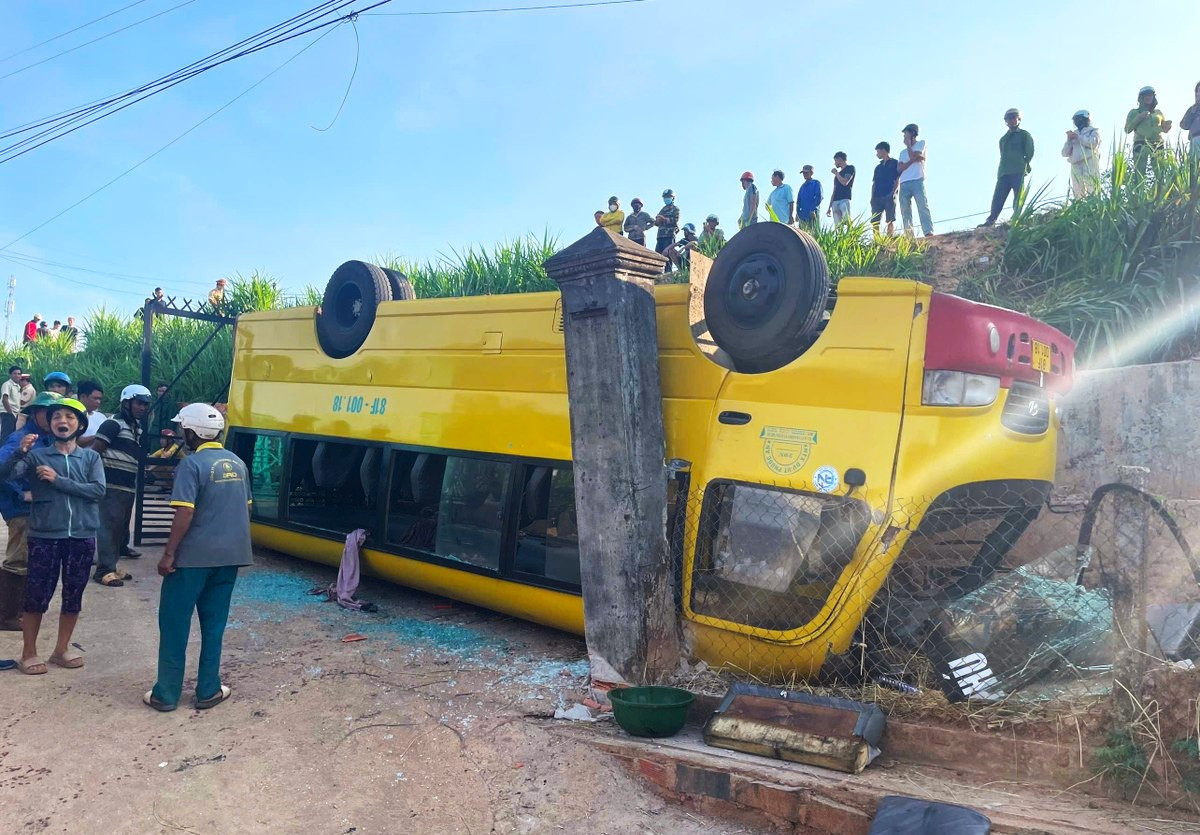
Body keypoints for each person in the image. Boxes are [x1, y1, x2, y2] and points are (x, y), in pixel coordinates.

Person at [144, 403, 252, 711]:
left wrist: (168, 554)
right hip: (230, 558)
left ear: (192, 433)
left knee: (174, 625)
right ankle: (208, 690)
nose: (182, 434)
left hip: (191, 560)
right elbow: (245, 508)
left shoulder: (191, 465)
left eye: (183, 429)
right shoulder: (238, 464)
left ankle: (166, 694)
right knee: (214, 625)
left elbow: (185, 512)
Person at [0, 398, 103, 674]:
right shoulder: (36, 455)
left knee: (73, 595)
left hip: (81, 535)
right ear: (50, 424)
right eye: (56, 416)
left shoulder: (91, 458)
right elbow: (4, 475)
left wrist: (58, 481)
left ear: (80, 425)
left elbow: (97, 491)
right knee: (36, 596)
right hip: (45, 536)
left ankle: (61, 650)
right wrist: (19, 453)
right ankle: (29, 653)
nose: (62, 421)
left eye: (69, 417)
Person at [0, 392, 60, 631]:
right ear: (35, 413)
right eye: (49, 413)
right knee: (19, 559)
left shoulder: (47, 439)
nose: (54, 418)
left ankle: (18, 612)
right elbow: (3, 469)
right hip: (21, 509)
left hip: (36, 509)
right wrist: (20, 494)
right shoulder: (22, 439)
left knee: (30, 559)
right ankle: (7, 616)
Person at [90, 384, 151, 586]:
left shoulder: (136, 428)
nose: (142, 408)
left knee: (119, 528)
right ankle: (103, 571)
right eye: (139, 403)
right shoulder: (113, 424)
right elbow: (95, 452)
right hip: (111, 485)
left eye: (145, 404)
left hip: (127, 486)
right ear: (126, 403)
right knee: (108, 527)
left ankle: (112, 565)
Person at [981, 108, 1035, 227]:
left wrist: (1022, 163)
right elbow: (1003, 155)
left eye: (1014, 118)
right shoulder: (1003, 139)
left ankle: (1016, 218)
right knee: (998, 197)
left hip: (1018, 170)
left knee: (1018, 196)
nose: (1011, 120)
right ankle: (991, 220)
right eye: (1009, 118)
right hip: (1004, 171)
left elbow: (1030, 152)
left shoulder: (1024, 135)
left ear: (1018, 119)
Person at [898, 123, 933, 237]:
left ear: (913, 133)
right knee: (905, 211)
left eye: (906, 133)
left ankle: (928, 232)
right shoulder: (902, 152)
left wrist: (909, 145)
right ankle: (909, 236)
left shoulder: (921, 143)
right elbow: (900, 168)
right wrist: (913, 160)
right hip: (904, 182)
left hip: (917, 179)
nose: (904, 136)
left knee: (922, 206)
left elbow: (915, 155)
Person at [1062, 109, 1102, 198]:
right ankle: (1079, 204)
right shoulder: (1074, 134)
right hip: (1076, 164)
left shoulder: (1093, 131)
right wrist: (1069, 141)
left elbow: (1094, 143)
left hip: (1090, 161)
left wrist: (1079, 137)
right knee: (1077, 189)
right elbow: (1064, 153)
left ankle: (1094, 203)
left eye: (1078, 119)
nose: (1077, 122)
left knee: (1092, 185)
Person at [1125, 85, 1171, 161]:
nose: (1148, 97)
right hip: (1141, 142)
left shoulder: (1158, 112)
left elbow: (1164, 129)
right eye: (1146, 95)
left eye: (1150, 95)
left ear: (1153, 97)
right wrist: (1139, 118)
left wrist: (1167, 126)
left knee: (1159, 166)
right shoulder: (1134, 112)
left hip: (1157, 143)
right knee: (1140, 166)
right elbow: (1127, 129)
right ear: (1141, 98)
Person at [870, 142, 901, 236]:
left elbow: (897, 179)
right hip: (877, 196)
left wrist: (893, 193)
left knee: (890, 219)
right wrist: (872, 197)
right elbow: (874, 183)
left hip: (889, 194)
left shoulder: (895, 163)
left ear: (883, 150)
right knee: (875, 220)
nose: (877, 154)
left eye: (878, 151)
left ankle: (890, 237)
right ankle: (877, 239)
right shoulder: (878, 167)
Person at [653, 189, 680, 273]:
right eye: (665, 197)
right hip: (660, 236)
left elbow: (675, 220)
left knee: (668, 257)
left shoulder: (675, 209)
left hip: (669, 236)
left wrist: (664, 219)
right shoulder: (663, 209)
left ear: (672, 198)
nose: (666, 199)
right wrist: (657, 221)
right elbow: (656, 223)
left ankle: (668, 274)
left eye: (668, 197)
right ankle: (658, 274)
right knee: (658, 256)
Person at [827, 152, 856, 225]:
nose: (834, 163)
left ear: (840, 159)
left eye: (835, 160)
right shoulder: (837, 176)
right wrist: (829, 207)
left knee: (847, 221)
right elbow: (834, 191)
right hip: (835, 201)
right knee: (838, 226)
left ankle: (852, 233)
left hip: (844, 199)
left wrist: (836, 173)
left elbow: (845, 182)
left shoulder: (850, 168)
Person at [2, 365, 23, 441]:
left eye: (19, 374)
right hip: (8, 413)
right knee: (6, 434)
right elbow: (5, 399)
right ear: (10, 374)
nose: (17, 376)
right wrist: (10, 412)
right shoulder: (7, 384)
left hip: (15, 413)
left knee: (12, 434)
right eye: (15, 373)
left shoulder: (17, 386)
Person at [1180, 81, 1200, 158]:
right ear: (1196, 93)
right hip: (1196, 138)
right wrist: (1193, 111)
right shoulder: (1192, 108)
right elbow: (1184, 125)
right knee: (1195, 163)